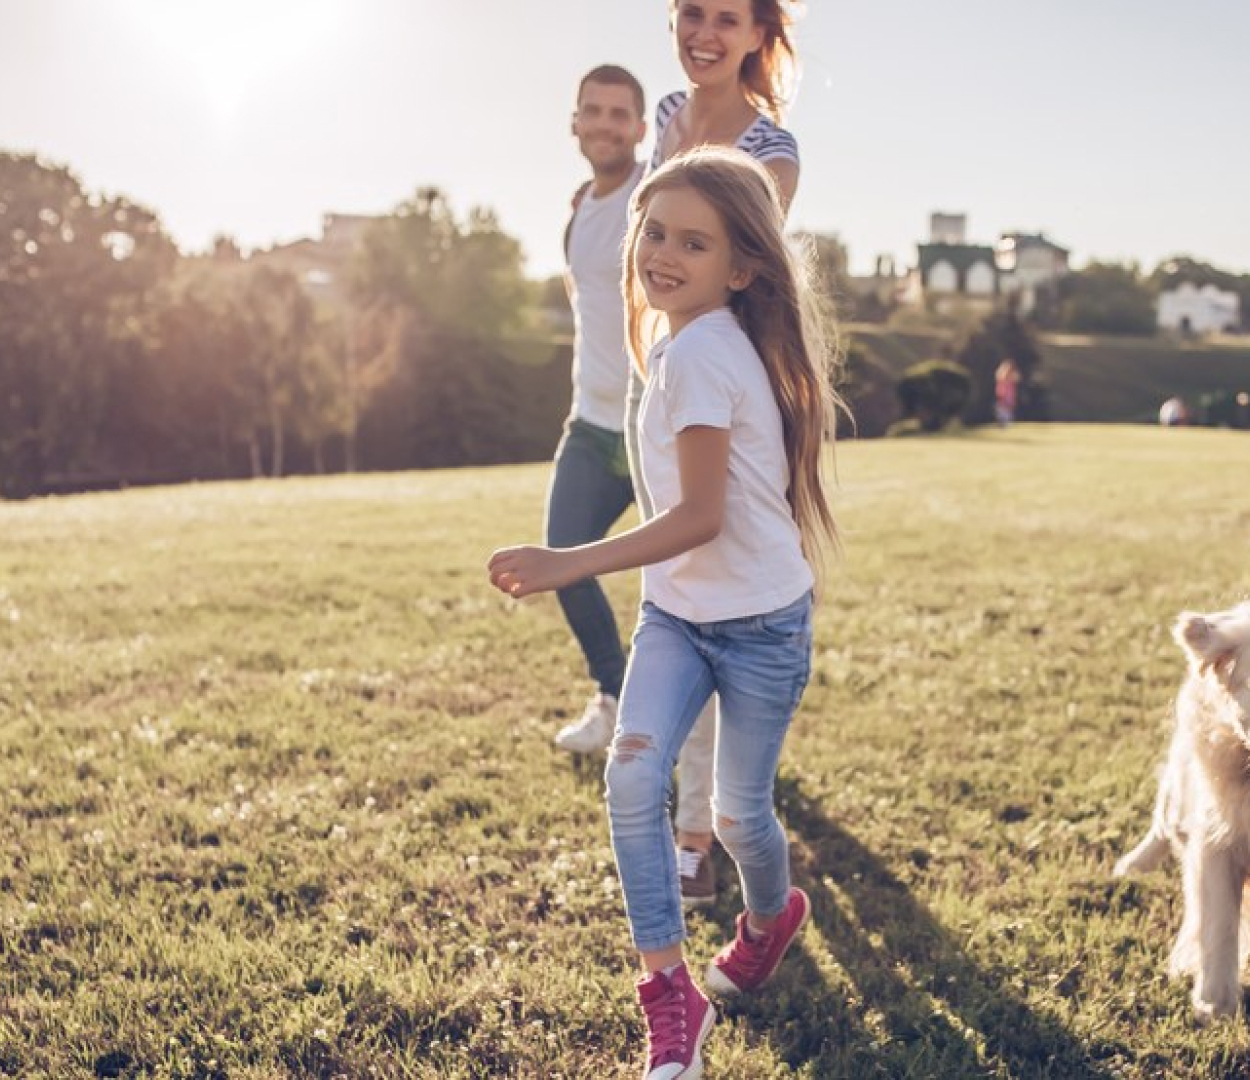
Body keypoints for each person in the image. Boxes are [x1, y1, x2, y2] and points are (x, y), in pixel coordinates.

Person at [489, 146, 840, 1080]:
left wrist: (568, 562)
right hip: (678, 621)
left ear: (743, 267)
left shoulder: (705, 350)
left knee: (737, 818)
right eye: (655, 232)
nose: (664, 253)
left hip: (764, 626)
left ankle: (771, 920)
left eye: (695, 241)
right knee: (635, 780)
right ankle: (669, 992)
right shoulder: (677, 339)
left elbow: (698, 518)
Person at [636, 0, 806, 911]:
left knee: (707, 581)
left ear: (758, 35)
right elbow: (659, 243)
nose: (704, 32)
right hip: (657, 368)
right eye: (690, 12)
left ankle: (698, 835)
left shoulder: (771, 149)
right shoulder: (668, 113)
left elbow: (732, 265)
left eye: (726, 18)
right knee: (676, 589)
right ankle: (707, 814)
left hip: (724, 386)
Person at [543, 65, 649, 757]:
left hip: (654, 425)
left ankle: (694, 726)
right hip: (589, 423)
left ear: (641, 129)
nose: (606, 124)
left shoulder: (655, 192)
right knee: (562, 557)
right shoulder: (579, 210)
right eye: (594, 112)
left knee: (685, 586)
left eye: (620, 114)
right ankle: (616, 699)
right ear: (574, 123)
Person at [993, 359, 1020, 427]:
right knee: (1003, 410)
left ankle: (1005, 423)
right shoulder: (1002, 378)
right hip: (1004, 395)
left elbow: (1017, 378)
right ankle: (1002, 422)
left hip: (1008, 396)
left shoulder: (1011, 379)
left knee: (1008, 410)